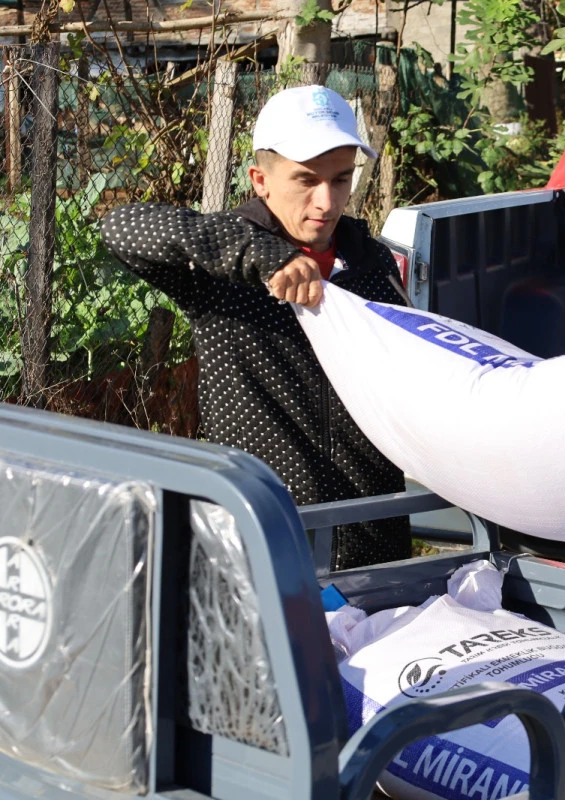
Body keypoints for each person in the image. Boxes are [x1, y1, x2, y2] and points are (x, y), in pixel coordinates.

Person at [102, 84, 411, 570]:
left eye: (341, 178)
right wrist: (260, 255)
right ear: (260, 180)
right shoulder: (217, 268)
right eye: (306, 180)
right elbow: (121, 227)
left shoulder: (371, 262)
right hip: (263, 537)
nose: (326, 201)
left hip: (374, 535)